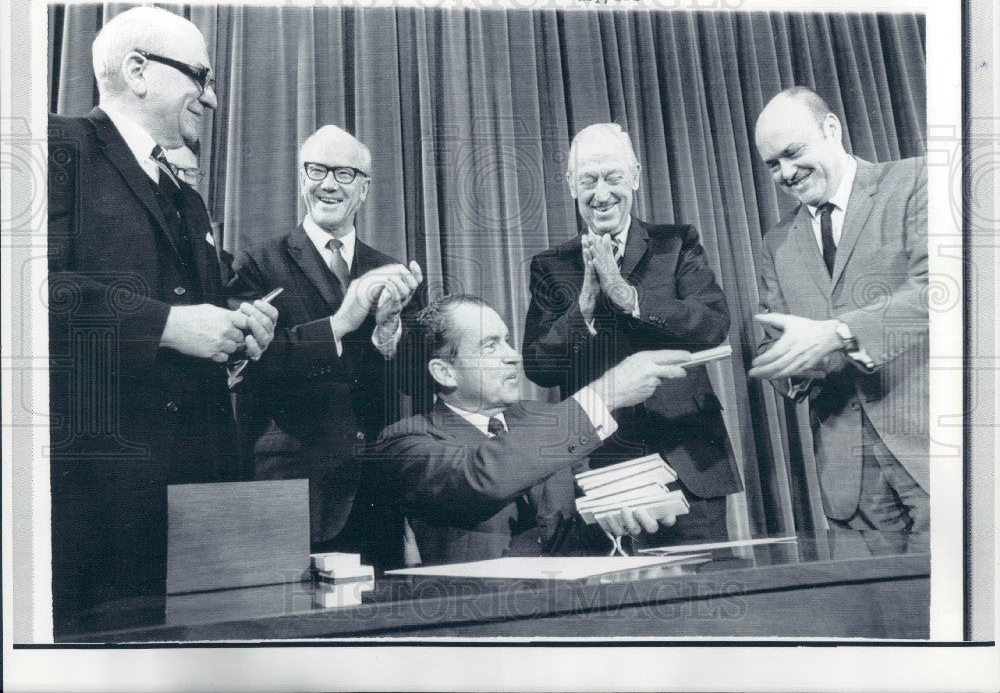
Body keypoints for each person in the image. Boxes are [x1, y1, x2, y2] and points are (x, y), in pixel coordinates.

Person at [47, 6, 278, 634]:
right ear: (138, 71)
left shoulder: (188, 195)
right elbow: (27, 290)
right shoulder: (56, 145)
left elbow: (188, 308)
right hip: (94, 508)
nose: (209, 96)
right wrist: (169, 327)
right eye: (198, 76)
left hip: (194, 508)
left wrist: (234, 329)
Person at [522, 123, 742, 544]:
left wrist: (630, 298)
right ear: (571, 185)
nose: (601, 193)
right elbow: (538, 366)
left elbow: (713, 324)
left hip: (690, 462)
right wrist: (583, 307)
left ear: (636, 178)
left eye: (613, 178)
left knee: (707, 590)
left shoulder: (676, 243)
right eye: (587, 181)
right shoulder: (551, 266)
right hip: (603, 466)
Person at [376, 294, 694, 565]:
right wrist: (605, 394)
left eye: (508, 342)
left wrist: (613, 519)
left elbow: (582, 517)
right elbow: (483, 476)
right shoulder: (405, 442)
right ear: (445, 372)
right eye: (490, 346)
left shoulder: (548, 417)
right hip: (485, 620)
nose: (513, 357)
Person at [229, 125, 423, 565]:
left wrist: (389, 337)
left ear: (365, 189)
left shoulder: (390, 270)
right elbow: (248, 368)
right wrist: (339, 324)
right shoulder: (257, 263)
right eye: (316, 170)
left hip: (375, 497)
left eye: (344, 173)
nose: (328, 183)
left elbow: (419, 381)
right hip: (292, 492)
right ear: (301, 179)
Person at [749, 86, 929, 534]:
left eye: (793, 153)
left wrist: (839, 333)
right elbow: (776, 344)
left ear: (832, 129)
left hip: (934, 453)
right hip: (848, 479)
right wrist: (785, 363)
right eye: (773, 164)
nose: (787, 173)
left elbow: (941, 290)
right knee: (873, 605)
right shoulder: (777, 242)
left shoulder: (916, 180)